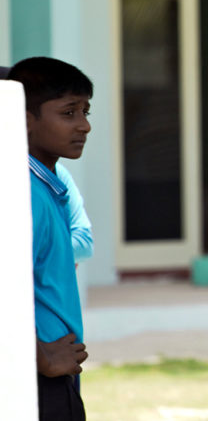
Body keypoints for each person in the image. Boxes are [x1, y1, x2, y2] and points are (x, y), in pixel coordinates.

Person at [8, 57, 92, 421]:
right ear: (24, 120)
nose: (85, 126)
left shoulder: (47, 187)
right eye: (69, 112)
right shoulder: (26, 193)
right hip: (38, 378)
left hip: (53, 375)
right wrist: (41, 357)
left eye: (85, 111)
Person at [1, 66, 92, 262]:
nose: (85, 127)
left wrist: (53, 256)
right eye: (69, 112)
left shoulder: (54, 174)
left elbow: (84, 240)